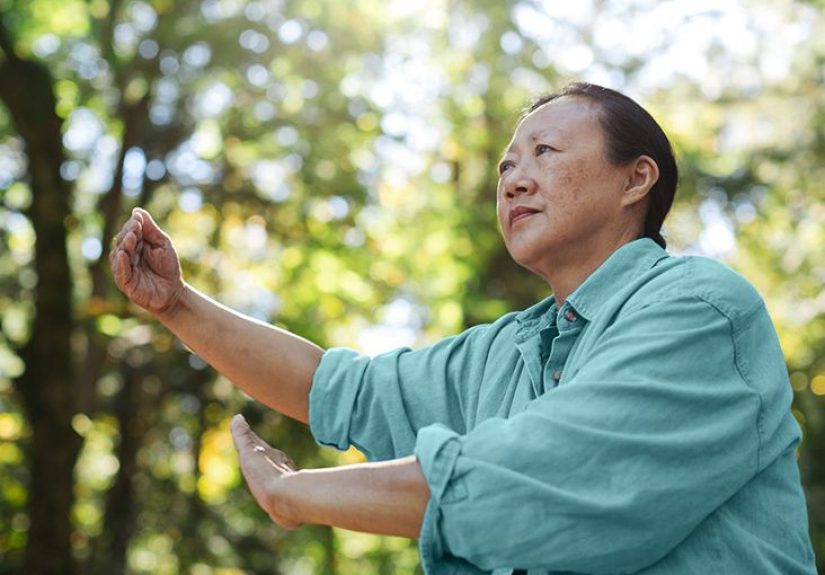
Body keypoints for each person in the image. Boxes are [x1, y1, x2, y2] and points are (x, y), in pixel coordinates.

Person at [110, 82, 817, 574]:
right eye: (507, 164)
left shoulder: (699, 309)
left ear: (635, 180)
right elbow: (337, 387)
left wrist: (295, 495)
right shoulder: (505, 350)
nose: (513, 179)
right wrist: (178, 305)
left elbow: (542, 475)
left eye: (545, 152)